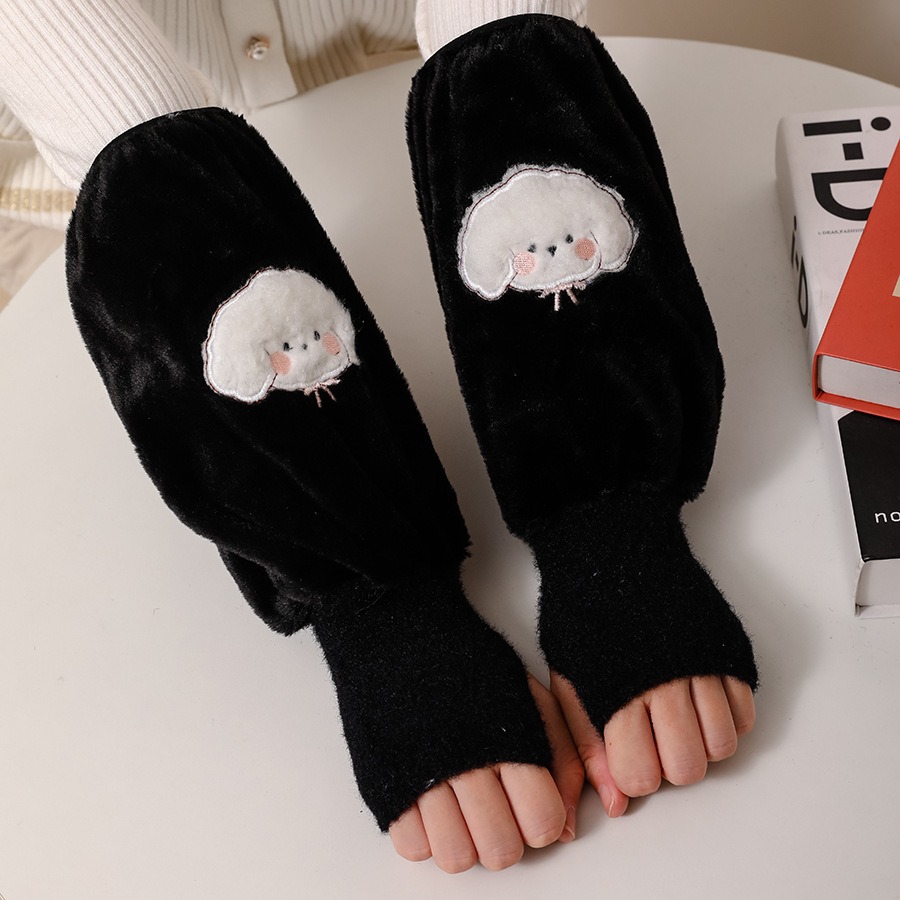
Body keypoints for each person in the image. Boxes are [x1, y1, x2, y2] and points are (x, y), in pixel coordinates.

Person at [0, 0, 757, 874]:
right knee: (160, 206)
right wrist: (381, 608)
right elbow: (99, 99)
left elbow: (504, 49)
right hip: (73, 193)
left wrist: (608, 519)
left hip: (397, 75)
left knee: (510, 72)